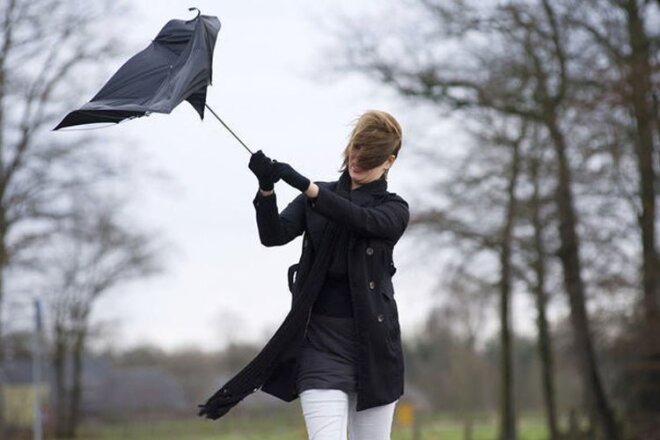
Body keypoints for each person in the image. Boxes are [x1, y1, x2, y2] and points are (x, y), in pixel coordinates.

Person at [198, 110, 409, 440]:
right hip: (319, 347)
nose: (358, 160)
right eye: (356, 149)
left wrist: (307, 187)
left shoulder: (393, 209)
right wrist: (266, 189)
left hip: (374, 351)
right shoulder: (317, 198)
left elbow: (360, 220)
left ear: (389, 162)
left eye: (369, 158)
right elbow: (273, 235)